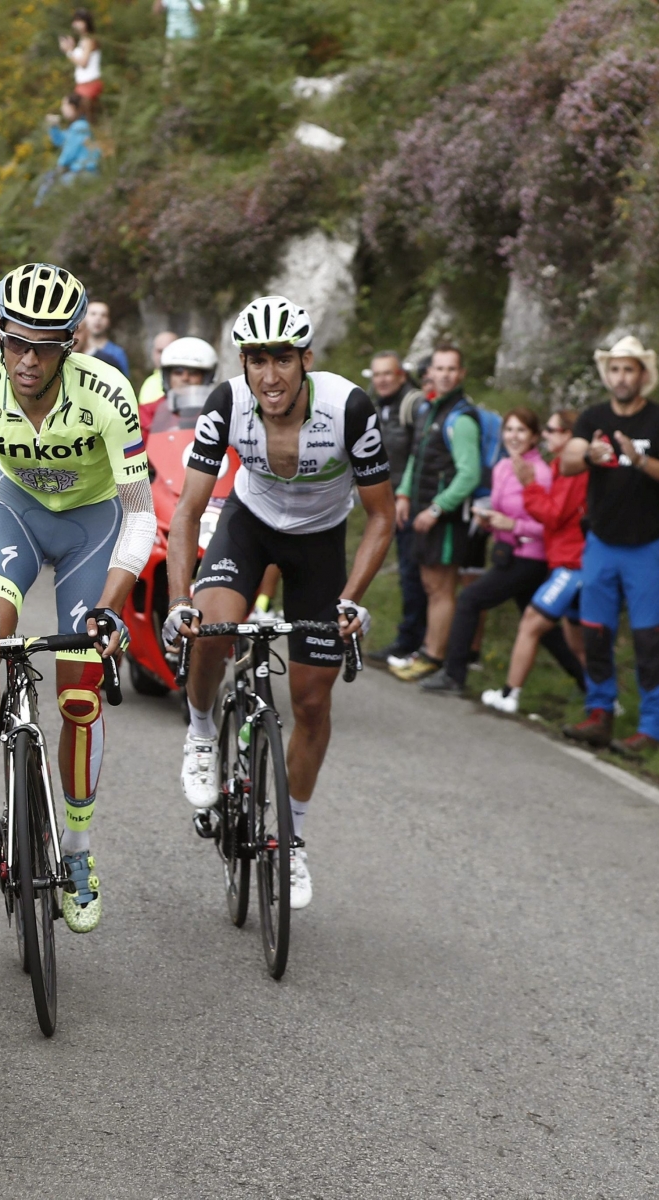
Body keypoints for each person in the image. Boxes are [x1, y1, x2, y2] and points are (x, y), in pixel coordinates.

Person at [0, 262, 151, 933]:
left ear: (71, 346)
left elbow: (140, 512)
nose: (26, 360)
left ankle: (80, 852)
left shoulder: (106, 393)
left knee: (79, 693)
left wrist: (110, 606)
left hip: (94, 526)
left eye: (44, 345)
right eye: (14, 342)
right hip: (14, 515)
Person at [167, 295, 395, 911]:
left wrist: (351, 600)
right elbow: (189, 511)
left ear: (306, 360)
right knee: (213, 630)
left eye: (283, 360)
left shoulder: (349, 409)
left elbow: (381, 518)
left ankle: (289, 838)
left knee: (313, 701)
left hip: (320, 544)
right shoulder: (227, 403)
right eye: (257, 360)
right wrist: (177, 600)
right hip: (250, 523)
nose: (269, 376)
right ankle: (201, 730)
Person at [560, 336, 659, 753]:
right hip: (601, 542)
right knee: (596, 632)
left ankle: (654, 725)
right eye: (614, 369)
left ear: (643, 375)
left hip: (646, 546)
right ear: (607, 375)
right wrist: (591, 456)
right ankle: (600, 713)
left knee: (649, 636)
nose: (621, 377)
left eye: (629, 369)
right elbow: (567, 461)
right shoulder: (592, 418)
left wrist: (638, 458)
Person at [420, 409, 560, 694]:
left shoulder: (542, 474)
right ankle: (592, 687)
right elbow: (502, 515)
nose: (514, 436)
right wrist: (488, 520)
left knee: (470, 599)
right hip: (507, 551)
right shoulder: (502, 468)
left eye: (521, 431)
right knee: (545, 628)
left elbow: (549, 526)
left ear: (534, 437)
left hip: (530, 557)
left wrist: (513, 525)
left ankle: (453, 676)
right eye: (509, 430)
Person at [482, 409, 588, 713]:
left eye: (553, 430)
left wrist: (529, 485)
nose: (546, 435)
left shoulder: (573, 470)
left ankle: (509, 694)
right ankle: (602, 700)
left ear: (570, 436)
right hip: (564, 560)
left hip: (572, 563)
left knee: (531, 622)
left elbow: (553, 515)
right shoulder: (559, 466)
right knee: (576, 640)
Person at [390, 346, 482, 683]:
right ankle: (427, 649)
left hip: (445, 520)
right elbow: (417, 456)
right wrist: (403, 493)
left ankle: (434, 655)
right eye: (438, 368)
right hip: (422, 513)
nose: (444, 374)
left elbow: (469, 474)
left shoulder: (462, 418)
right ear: (430, 373)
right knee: (430, 585)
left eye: (451, 369)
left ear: (460, 374)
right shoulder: (429, 408)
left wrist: (437, 507)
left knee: (442, 588)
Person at [365, 351, 431, 664]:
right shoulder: (377, 404)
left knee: (413, 572)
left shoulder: (413, 404)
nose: (382, 380)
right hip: (390, 500)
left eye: (387, 374)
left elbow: (421, 451)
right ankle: (412, 638)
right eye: (377, 375)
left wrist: (406, 495)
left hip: (413, 501)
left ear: (401, 375)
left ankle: (412, 641)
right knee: (409, 572)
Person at [37, 94, 102, 206]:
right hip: (83, 172)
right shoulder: (79, 125)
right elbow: (61, 141)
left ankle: (39, 210)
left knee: (51, 188)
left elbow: (69, 151)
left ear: (72, 107)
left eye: (64, 105)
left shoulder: (79, 127)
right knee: (48, 180)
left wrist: (60, 167)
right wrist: (54, 127)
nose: (62, 108)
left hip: (85, 172)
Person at [61, 9, 102, 116]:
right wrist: (71, 48)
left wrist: (69, 51)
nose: (75, 24)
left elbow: (84, 63)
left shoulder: (89, 40)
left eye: (79, 21)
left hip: (89, 84)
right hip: (82, 84)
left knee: (80, 115)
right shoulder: (83, 40)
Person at [78, 298, 129, 376]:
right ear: (83, 318)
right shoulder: (75, 349)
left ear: (109, 321)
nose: (98, 318)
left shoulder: (117, 353)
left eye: (103, 315)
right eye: (93, 314)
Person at [136, 329, 180, 409]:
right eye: (160, 351)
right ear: (153, 352)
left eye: (168, 350)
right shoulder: (149, 383)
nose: (163, 356)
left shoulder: (187, 380)